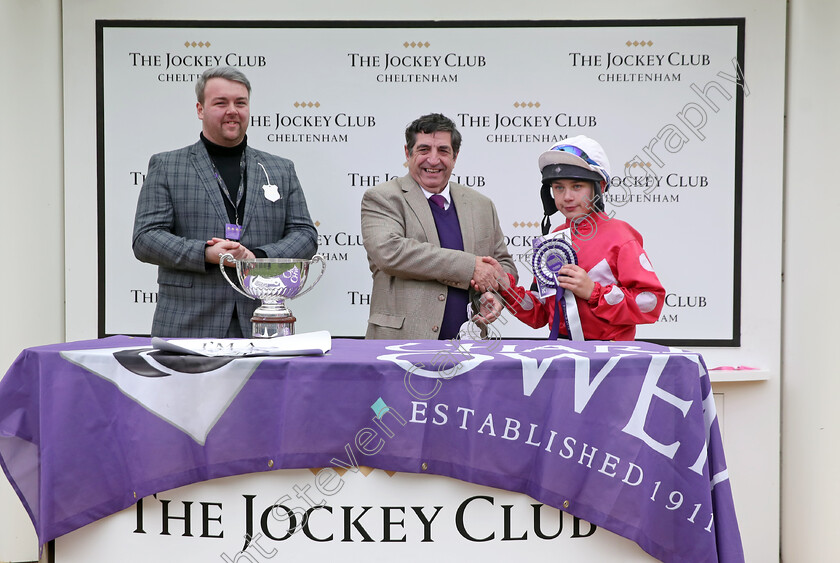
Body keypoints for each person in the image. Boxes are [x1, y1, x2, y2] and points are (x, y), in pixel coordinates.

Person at [133, 66, 317, 338]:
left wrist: (257, 258)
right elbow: (146, 239)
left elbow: (305, 235)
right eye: (221, 102)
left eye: (240, 102)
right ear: (200, 109)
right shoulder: (167, 165)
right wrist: (206, 254)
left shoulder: (280, 169)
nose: (233, 110)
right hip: (187, 325)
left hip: (262, 322)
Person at [480, 135, 664, 341]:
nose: (567, 197)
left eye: (577, 186)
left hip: (611, 359)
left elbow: (651, 303)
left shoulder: (621, 236)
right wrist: (507, 289)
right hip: (562, 357)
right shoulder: (553, 239)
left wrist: (594, 292)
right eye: (558, 188)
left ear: (600, 187)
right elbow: (540, 313)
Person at [360, 113, 517, 340]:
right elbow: (390, 252)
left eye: (443, 151)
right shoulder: (382, 198)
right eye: (424, 150)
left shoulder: (482, 205)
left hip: (468, 351)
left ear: (455, 156)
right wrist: (471, 266)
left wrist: (494, 294)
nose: (433, 160)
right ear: (408, 153)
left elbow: (503, 265)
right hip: (398, 347)